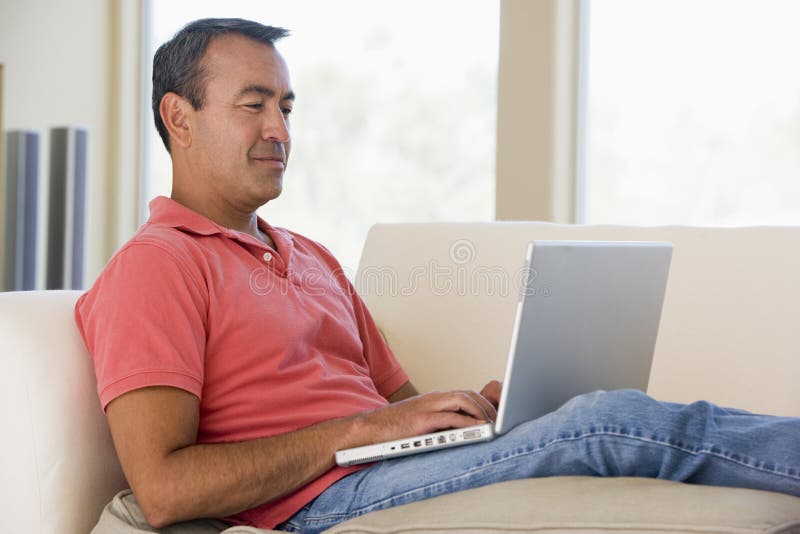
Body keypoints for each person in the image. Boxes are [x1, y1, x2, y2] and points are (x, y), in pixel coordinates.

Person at [75, 18, 800, 533]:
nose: (280, 131)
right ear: (179, 118)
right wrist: (363, 430)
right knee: (611, 421)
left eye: (287, 107)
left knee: (584, 410)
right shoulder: (157, 267)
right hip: (322, 502)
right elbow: (165, 490)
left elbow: (401, 406)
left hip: (384, 472)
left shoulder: (308, 255)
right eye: (254, 105)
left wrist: (476, 418)